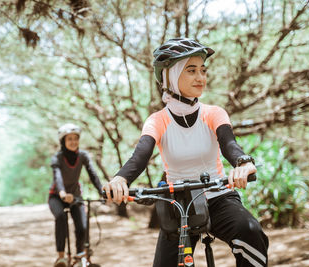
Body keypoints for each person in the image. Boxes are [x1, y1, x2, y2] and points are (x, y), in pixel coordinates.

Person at [103, 38, 269, 267]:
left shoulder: (213, 113)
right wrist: (120, 179)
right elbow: (139, 156)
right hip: (178, 203)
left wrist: (243, 163)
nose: (201, 77)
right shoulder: (157, 120)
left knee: (251, 232)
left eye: (203, 70)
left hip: (218, 195)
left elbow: (230, 144)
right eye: (191, 70)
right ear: (170, 76)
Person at [48, 123, 103, 267]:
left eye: (75, 138)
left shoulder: (83, 156)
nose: (73, 142)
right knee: (60, 217)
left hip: (75, 196)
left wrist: (102, 191)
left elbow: (92, 173)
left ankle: (79, 256)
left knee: (82, 225)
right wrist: (62, 193)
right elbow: (57, 177)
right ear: (63, 142)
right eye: (69, 139)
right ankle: (61, 257)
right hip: (56, 196)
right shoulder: (57, 158)